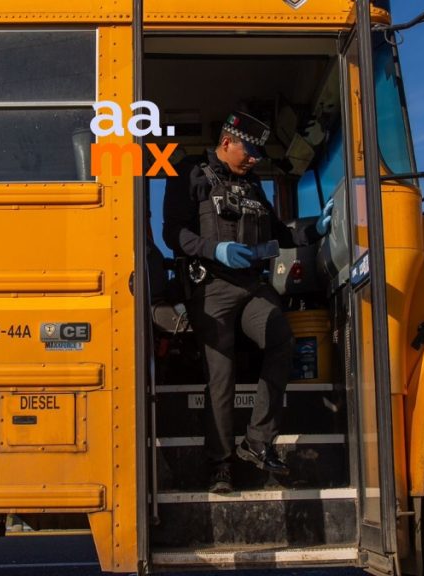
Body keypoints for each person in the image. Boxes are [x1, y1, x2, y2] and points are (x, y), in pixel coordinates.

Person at [162, 111, 333, 493]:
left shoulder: (253, 186)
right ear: (226, 143)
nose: (255, 158)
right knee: (220, 376)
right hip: (211, 288)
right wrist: (214, 249)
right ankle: (219, 464)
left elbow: (279, 233)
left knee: (281, 340)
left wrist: (315, 229)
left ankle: (258, 441)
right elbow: (174, 233)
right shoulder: (192, 174)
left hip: (251, 286)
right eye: (250, 149)